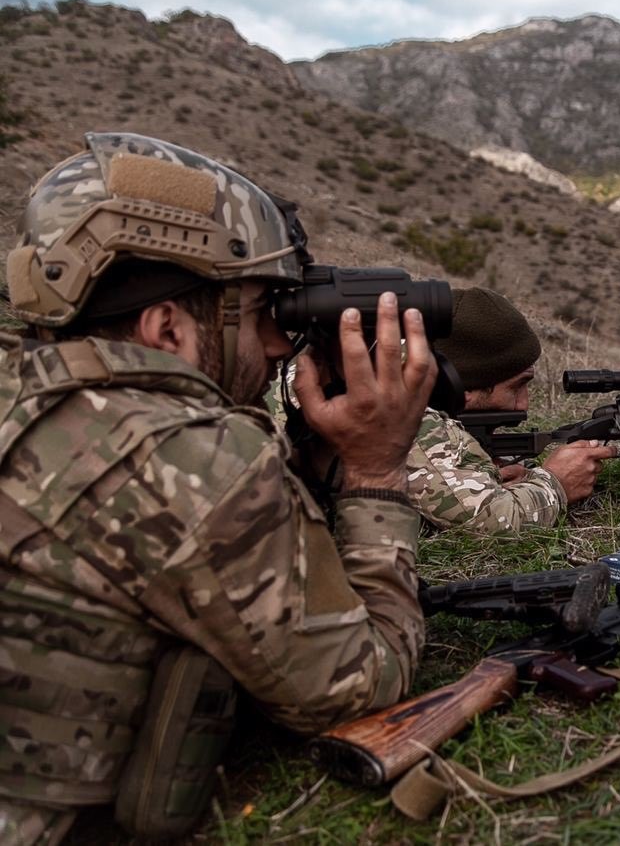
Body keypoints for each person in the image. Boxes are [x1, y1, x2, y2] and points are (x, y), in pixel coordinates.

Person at [0, 133, 433, 843]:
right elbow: (360, 686)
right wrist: (376, 471)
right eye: (260, 313)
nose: (277, 344)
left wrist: (309, 462)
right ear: (167, 328)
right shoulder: (192, 464)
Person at [410, 287, 615, 533]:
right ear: (462, 389)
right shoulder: (407, 417)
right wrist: (556, 483)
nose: (523, 404)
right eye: (516, 387)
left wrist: (500, 478)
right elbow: (494, 523)